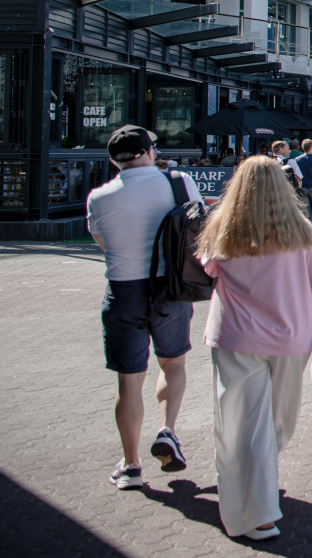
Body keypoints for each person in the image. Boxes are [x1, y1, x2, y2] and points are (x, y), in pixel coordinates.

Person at [197, 156, 312, 541]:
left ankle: (248, 500)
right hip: (290, 340)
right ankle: (257, 508)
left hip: (234, 337)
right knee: (277, 424)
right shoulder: (305, 233)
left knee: (238, 424)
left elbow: (206, 271)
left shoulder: (222, 229)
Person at [86, 125, 202, 491]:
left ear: (113, 160)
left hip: (123, 291)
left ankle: (131, 465)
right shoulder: (177, 183)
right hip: (170, 289)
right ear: (150, 152)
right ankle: (168, 430)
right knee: (173, 363)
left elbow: (103, 245)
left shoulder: (99, 197)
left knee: (128, 381)